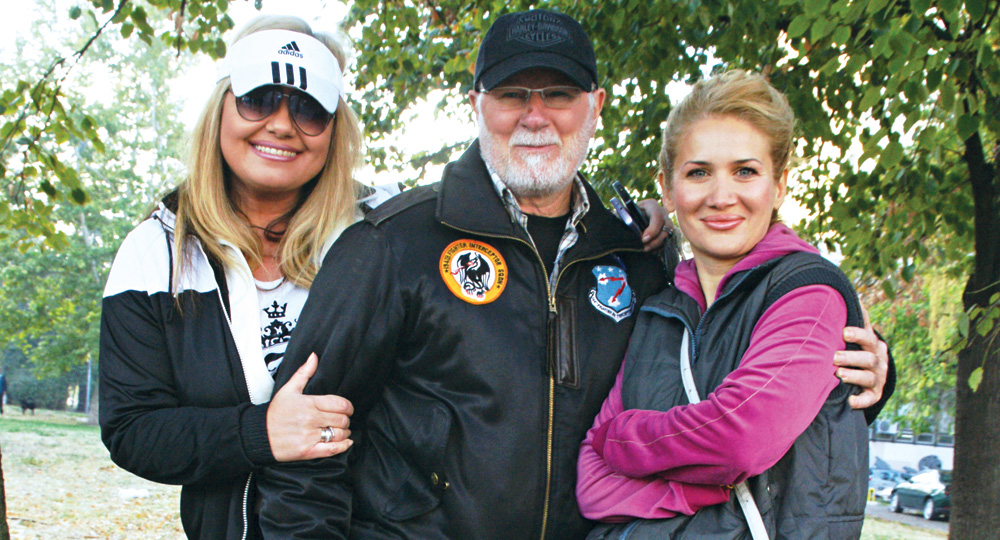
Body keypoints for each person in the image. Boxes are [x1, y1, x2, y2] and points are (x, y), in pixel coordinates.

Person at [257, 10, 891, 540]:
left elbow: (739, 375)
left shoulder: (638, 260)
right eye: (512, 95)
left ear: (595, 107)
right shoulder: (392, 244)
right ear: (476, 105)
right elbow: (301, 451)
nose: (536, 116)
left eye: (559, 95)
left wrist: (862, 375)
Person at [98, 16, 398, 540]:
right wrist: (260, 434)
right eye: (258, 100)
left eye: (309, 109)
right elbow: (132, 430)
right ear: (221, 109)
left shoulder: (385, 239)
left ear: (335, 129)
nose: (282, 125)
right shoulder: (156, 251)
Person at [577, 70, 872, 539]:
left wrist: (622, 440)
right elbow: (592, 487)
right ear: (667, 188)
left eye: (745, 171)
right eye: (698, 173)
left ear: (779, 184)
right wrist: (700, 487)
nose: (720, 197)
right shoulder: (657, 311)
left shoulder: (809, 294)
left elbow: (741, 438)